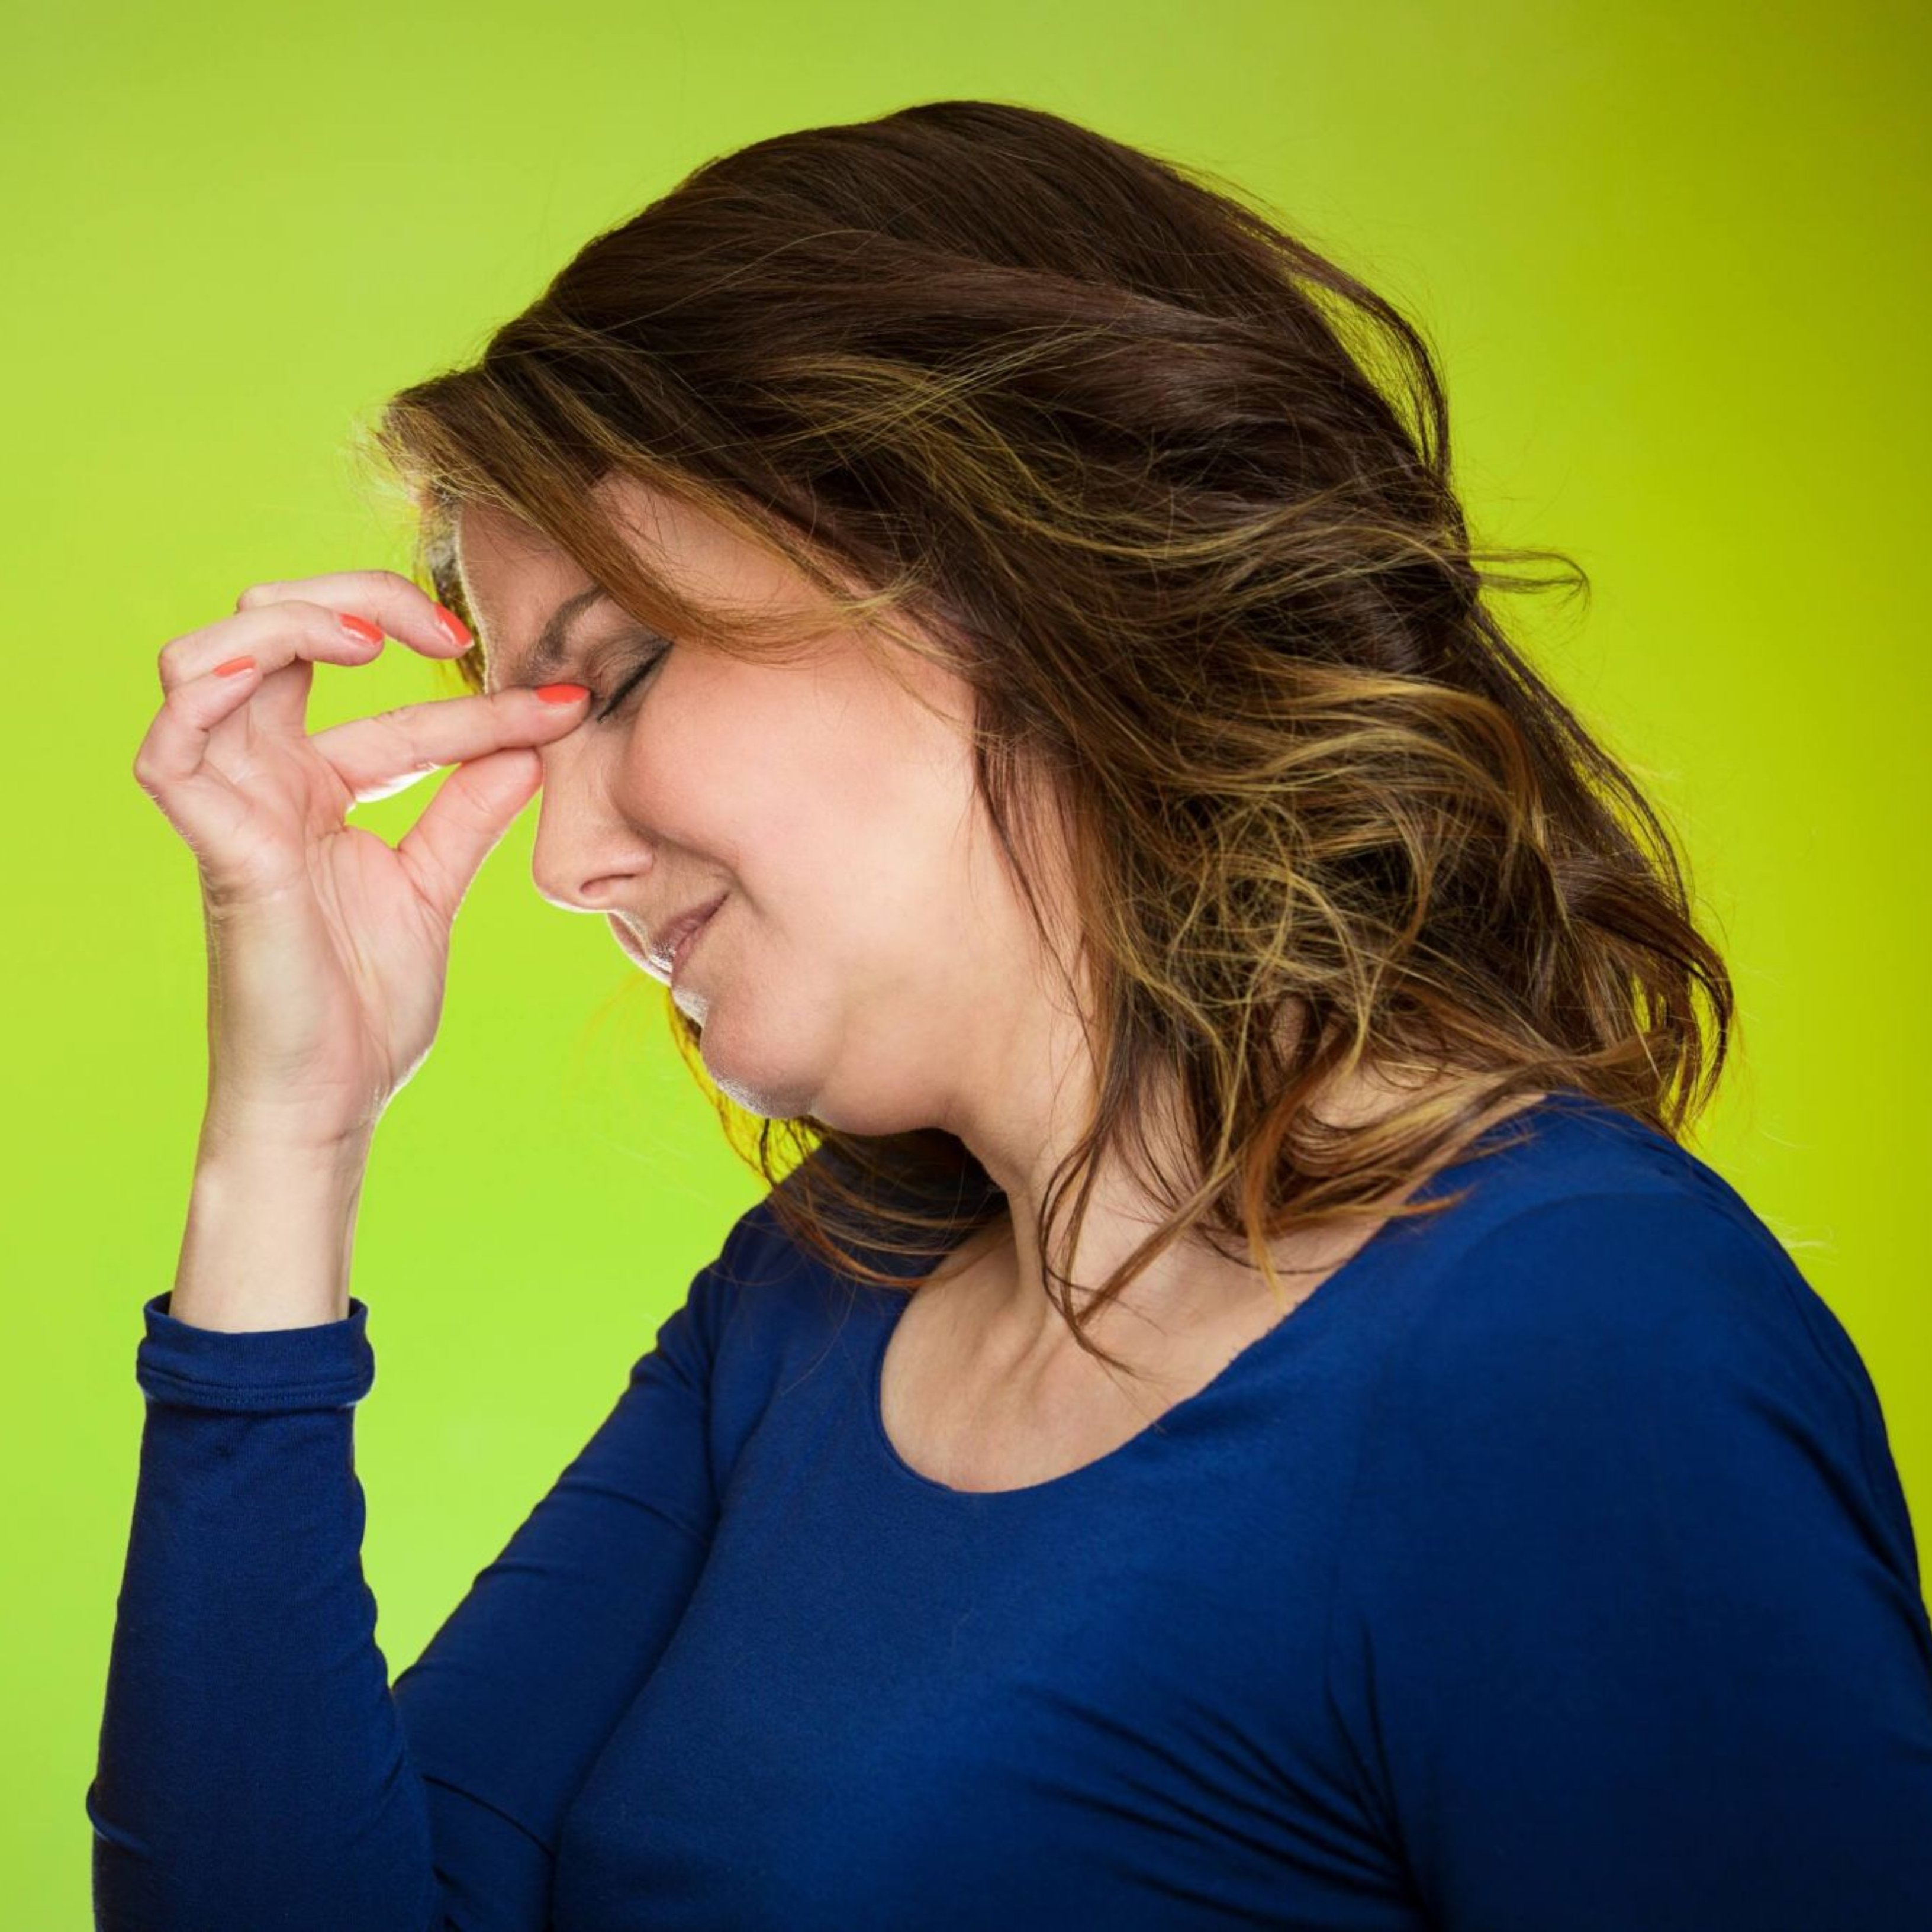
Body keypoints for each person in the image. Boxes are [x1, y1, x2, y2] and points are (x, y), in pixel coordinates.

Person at [91, 98, 1932, 1930]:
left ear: (998, 564)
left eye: (626, 673)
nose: (563, 862)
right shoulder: (807, 1310)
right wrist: (292, 1128)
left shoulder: (1583, 1349)